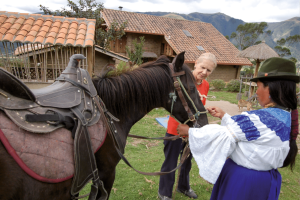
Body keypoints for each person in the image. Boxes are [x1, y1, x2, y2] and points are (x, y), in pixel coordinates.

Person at [177, 57, 299, 200]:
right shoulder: (285, 115)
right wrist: (224, 116)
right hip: (264, 181)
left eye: (258, 87)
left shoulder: (262, 118)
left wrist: (190, 132)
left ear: (270, 88)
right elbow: (249, 133)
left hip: (245, 182)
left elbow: (223, 135)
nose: (257, 92)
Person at [158, 53, 217, 200]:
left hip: (193, 131)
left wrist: (205, 110)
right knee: (170, 162)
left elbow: (197, 106)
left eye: (209, 70)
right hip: (175, 129)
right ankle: (164, 193)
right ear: (196, 63)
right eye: (203, 67)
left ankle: (183, 187)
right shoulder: (181, 79)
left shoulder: (206, 85)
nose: (204, 72)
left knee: (187, 161)